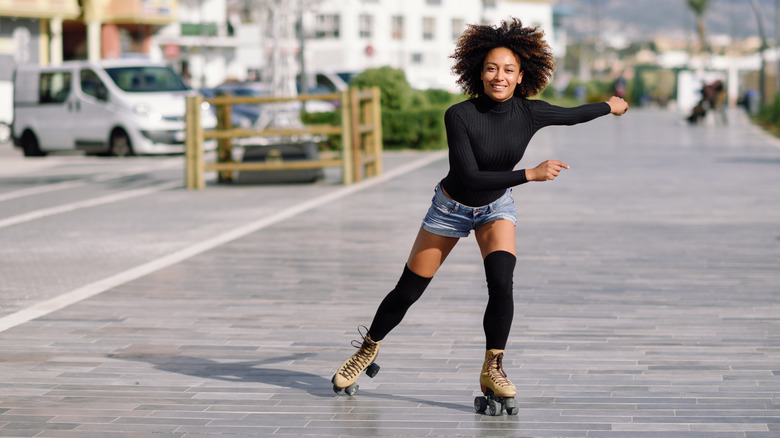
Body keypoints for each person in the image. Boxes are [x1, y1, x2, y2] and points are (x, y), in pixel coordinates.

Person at [331, 18, 629, 414]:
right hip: (450, 208)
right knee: (408, 291)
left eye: (508, 70)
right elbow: (470, 175)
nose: (499, 77)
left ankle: (494, 367)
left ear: (522, 76)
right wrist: (531, 173)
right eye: (491, 68)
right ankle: (368, 348)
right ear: (479, 72)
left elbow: (573, 114)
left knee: (502, 283)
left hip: (496, 208)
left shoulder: (530, 113)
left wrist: (609, 106)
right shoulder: (459, 115)